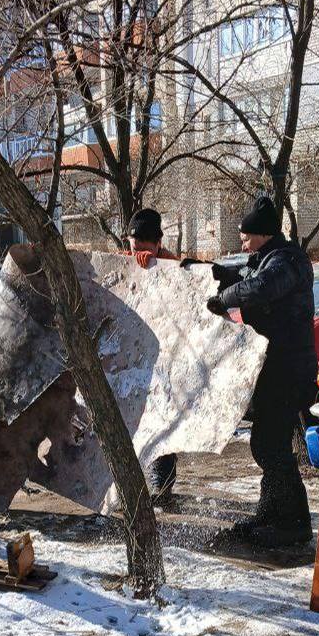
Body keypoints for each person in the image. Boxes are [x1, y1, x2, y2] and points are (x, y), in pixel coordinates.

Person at [207, 195, 317, 547]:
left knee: (270, 443)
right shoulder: (270, 258)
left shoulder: (288, 262)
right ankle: (273, 513)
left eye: (245, 235)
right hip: (276, 367)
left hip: (289, 368)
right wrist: (217, 275)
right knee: (267, 443)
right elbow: (246, 275)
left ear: (263, 234)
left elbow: (263, 286)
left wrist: (226, 298)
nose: (241, 241)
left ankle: (293, 523)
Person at [125, 208, 178, 502]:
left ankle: (162, 482)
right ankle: (129, 481)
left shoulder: (173, 266)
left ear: (158, 244)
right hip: (131, 357)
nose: (138, 254)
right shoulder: (123, 262)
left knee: (162, 419)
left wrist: (158, 269)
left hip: (165, 358)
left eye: (145, 249)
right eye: (134, 248)